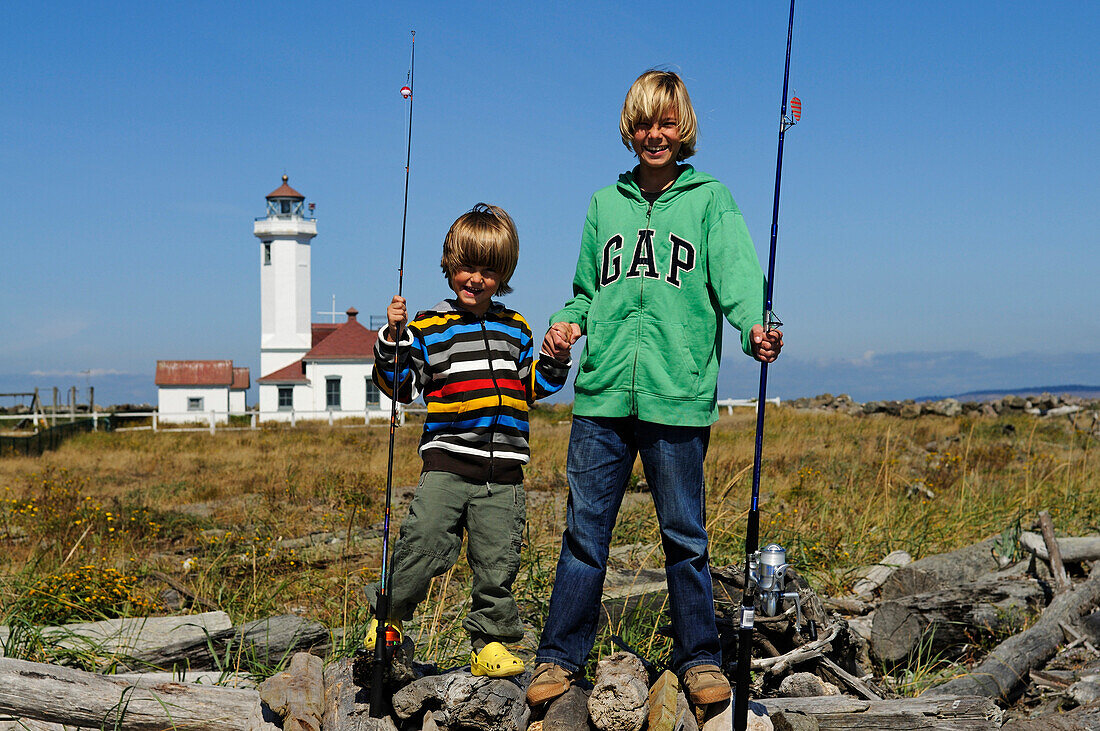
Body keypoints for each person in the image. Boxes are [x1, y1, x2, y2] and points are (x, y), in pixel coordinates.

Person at [527, 70, 784, 706]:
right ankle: (558, 660)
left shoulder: (709, 200)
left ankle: (699, 658)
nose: (655, 134)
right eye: (644, 122)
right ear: (629, 128)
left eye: (667, 122)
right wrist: (566, 325)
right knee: (585, 535)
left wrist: (759, 327)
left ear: (684, 127)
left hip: (678, 396)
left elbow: (740, 282)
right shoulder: (602, 204)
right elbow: (584, 292)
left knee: (685, 537)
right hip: (602, 398)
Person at [366, 203, 571, 677]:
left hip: (505, 473)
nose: (475, 279)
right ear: (448, 266)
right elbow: (400, 386)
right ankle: (388, 621)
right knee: (422, 546)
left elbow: (532, 385)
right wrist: (391, 338)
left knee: (498, 563)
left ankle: (491, 644)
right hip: (447, 465)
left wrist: (554, 360)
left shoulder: (516, 326)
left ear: (503, 274)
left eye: (488, 270)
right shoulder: (427, 326)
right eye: (465, 267)